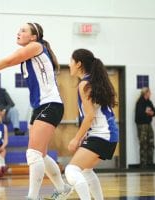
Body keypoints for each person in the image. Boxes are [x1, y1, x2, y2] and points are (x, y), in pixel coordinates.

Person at [0, 22, 70, 200]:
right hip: (41, 106)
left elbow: (9, 61)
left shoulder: (35, 46)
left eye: (23, 30)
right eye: (19, 30)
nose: (19, 32)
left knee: (32, 154)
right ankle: (62, 188)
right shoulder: (31, 52)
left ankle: (33, 197)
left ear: (34, 37)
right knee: (40, 154)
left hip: (51, 104)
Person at [64, 49, 119, 200]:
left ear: (79, 64)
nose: (70, 65)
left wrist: (76, 138)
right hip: (107, 134)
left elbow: (90, 116)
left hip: (102, 134)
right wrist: (85, 135)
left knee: (71, 170)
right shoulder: (92, 81)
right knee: (86, 170)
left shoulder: (85, 84)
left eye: (71, 61)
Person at [135, 87, 155, 168]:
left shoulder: (149, 102)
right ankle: (143, 164)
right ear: (145, 93)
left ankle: (150, 163)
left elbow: (154, 112)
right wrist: (146, 112)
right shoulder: (140, 102)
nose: (150, 94)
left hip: (149, 124)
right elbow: (139, 115)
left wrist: (151, 113)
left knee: (151, 143)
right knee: (143, 144)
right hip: (142, 125)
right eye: (149, 92)